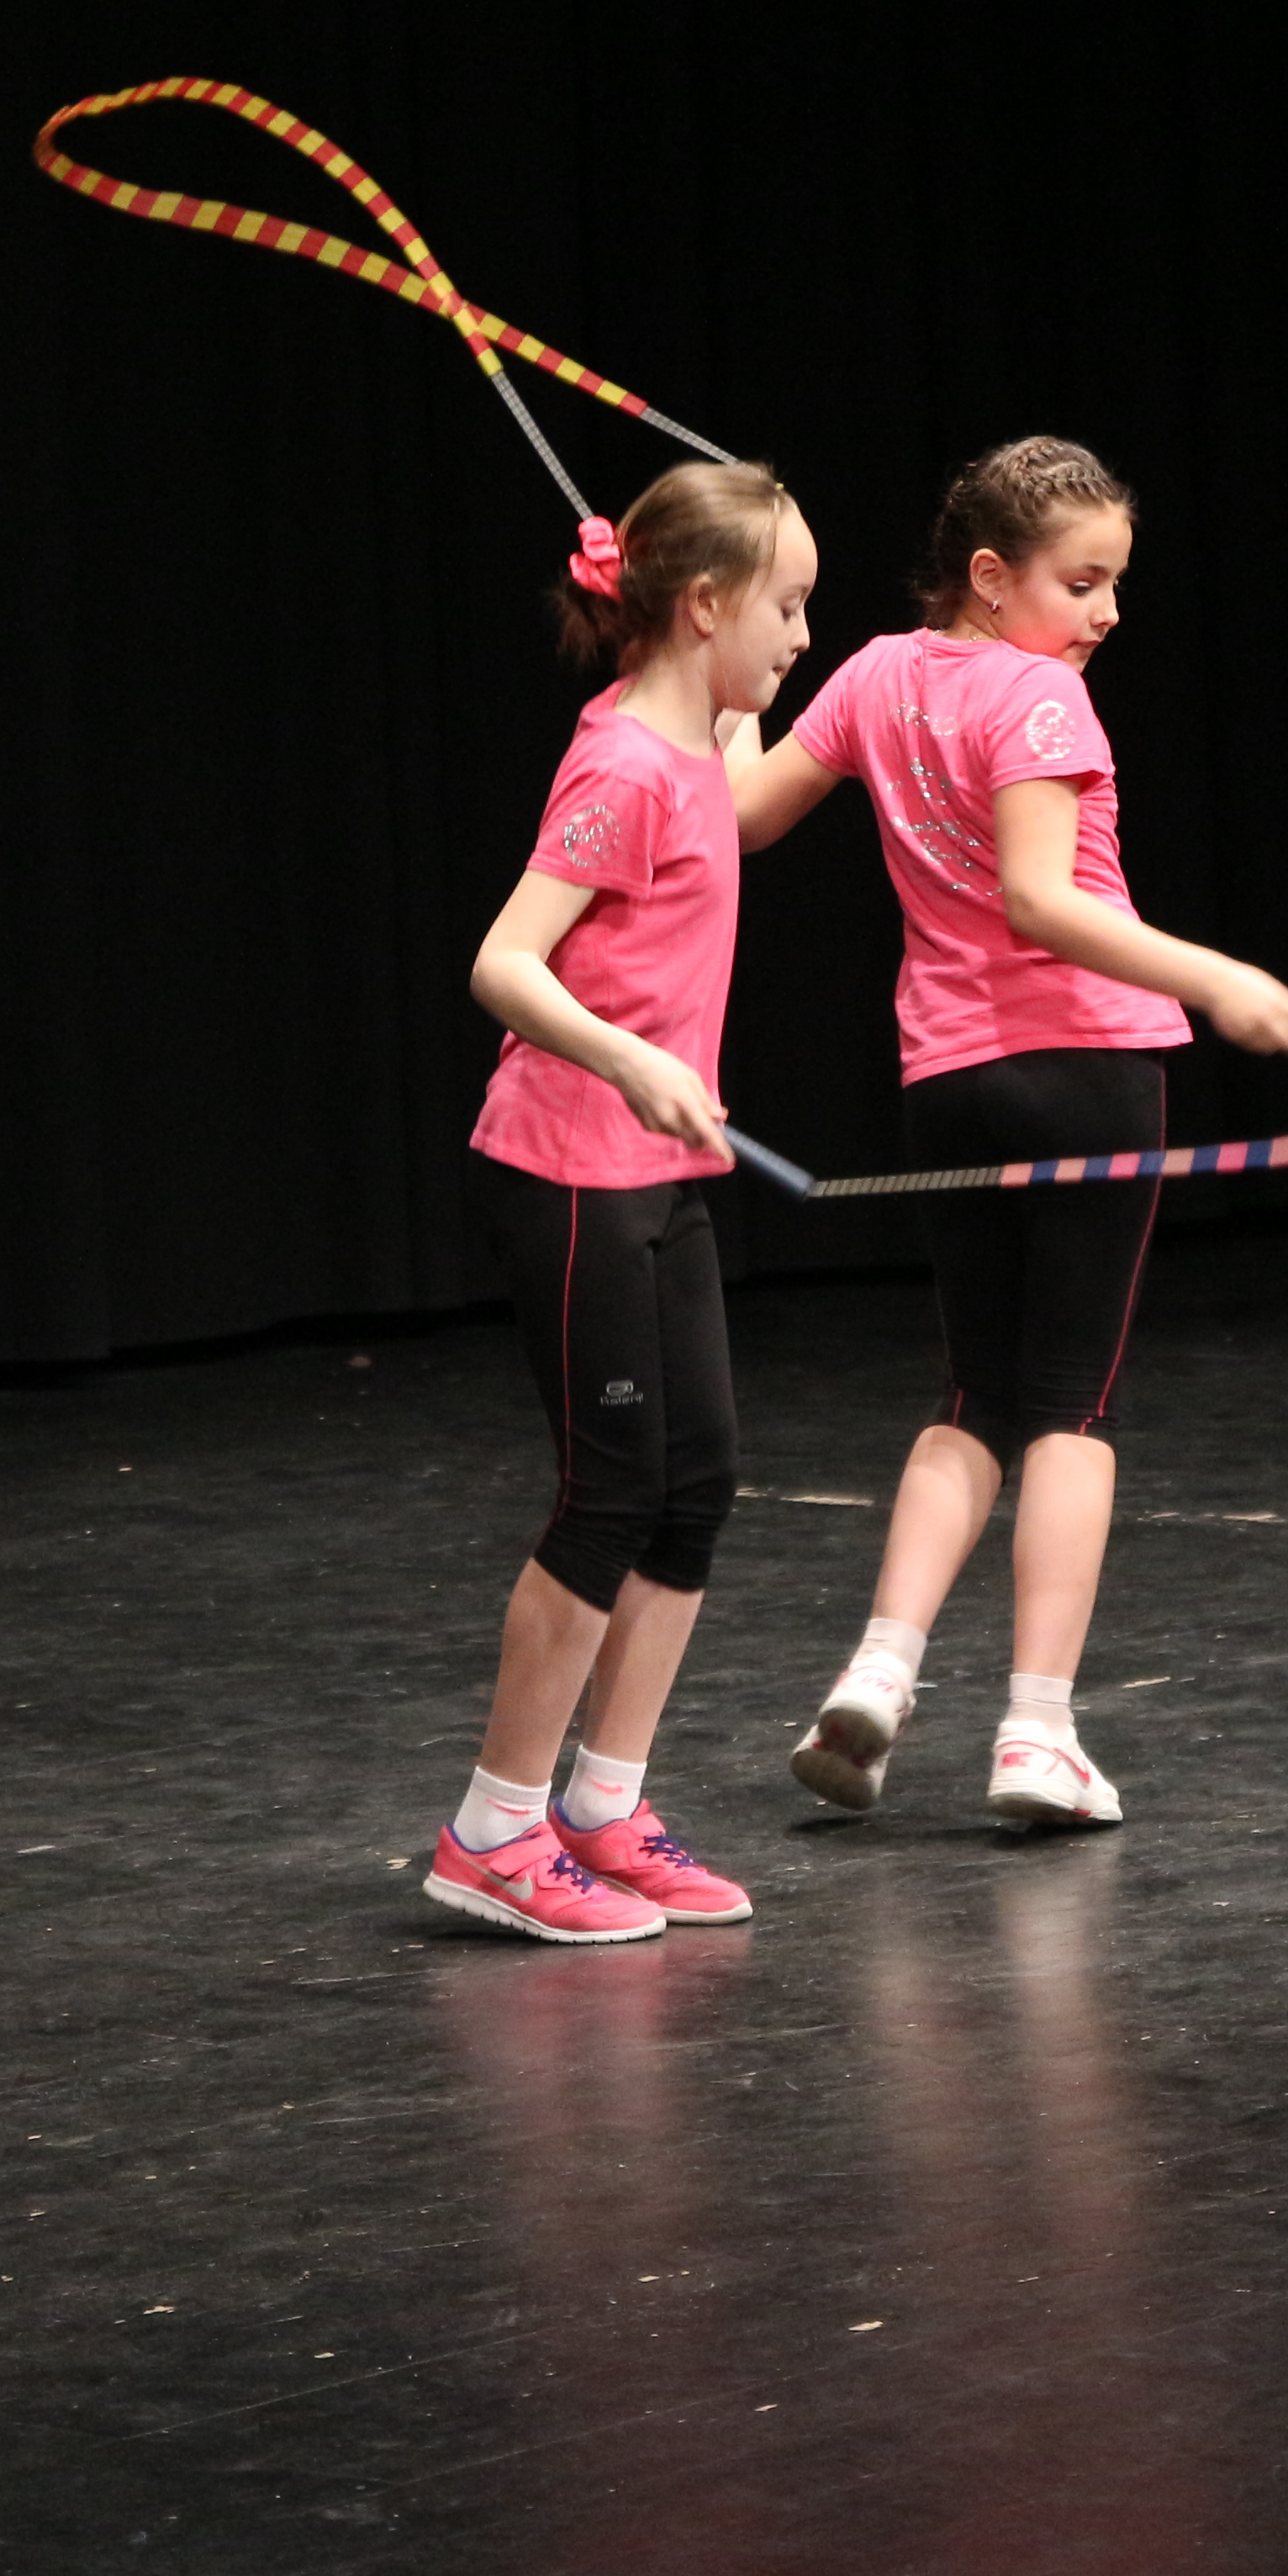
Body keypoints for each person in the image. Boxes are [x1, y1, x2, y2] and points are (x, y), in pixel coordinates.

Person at [730, 436, 1288, 1829]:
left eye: (1116, 582)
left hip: (949, 1078)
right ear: (994, 576)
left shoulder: (874, 674)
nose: (1107, 613)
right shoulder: (1043, 696)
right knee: (1070, 1409)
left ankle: (879, 1675)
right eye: (1083, 582)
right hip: (1085, 1069)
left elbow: (742, 818)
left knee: (974, 1399)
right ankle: (1036, 1734)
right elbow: (1041, 902)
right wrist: (1221, 979)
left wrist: (722, 692)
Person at [430, 462, 819, 1942]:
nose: (802, 638)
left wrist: (745, 535)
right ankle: (492, 1832)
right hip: (572, 1170)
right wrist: (634, 1059)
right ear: (704, 606)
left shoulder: (703, 734)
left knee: (695, 1485)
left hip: (663, 1173)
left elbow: (744, 786)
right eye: (787, 608)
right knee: (609, 1499)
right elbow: (504, 963)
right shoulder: (622, 770)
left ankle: (602, 1805)